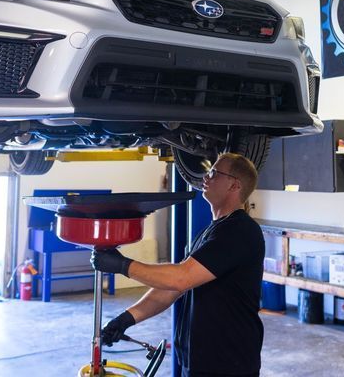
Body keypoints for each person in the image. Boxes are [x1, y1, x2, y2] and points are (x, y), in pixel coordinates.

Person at [91, 152, 265, 377]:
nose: (206, 177)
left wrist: (123, 265)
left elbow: (181, 277)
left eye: (214, 173)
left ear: (234, 185)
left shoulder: (239, 230)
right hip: (198, 361)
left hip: (227, 364)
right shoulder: (211, 232)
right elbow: (174, 288)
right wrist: (126, 318)